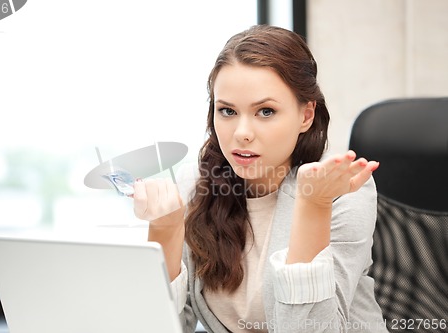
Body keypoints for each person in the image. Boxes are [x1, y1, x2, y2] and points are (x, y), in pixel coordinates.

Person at [133, 25, 388, 333]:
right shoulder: (196, 184)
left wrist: (314, 206)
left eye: (265, 111)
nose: (241, 133)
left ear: (306, 116)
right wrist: (166, 230)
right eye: (227, 111)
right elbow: (160, 326)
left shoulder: (342, 191)